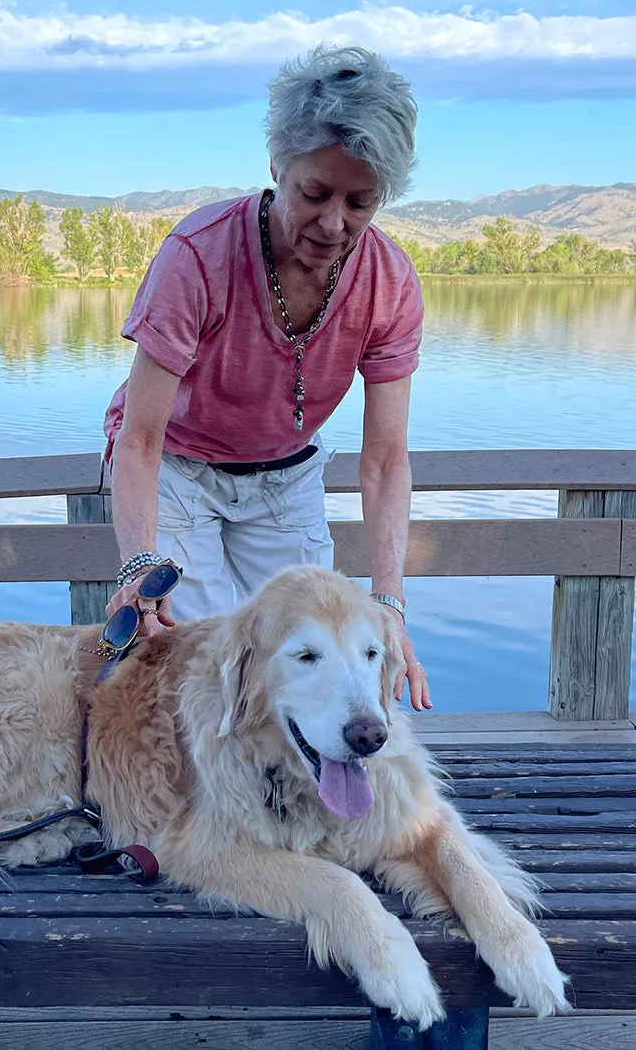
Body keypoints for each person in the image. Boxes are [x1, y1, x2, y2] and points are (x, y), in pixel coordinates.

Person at [102, 43, 431, 712]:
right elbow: (139, 440)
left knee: (319, 656)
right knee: (200, 659)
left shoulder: (390, 282)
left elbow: (386, 457)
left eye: (361, 202)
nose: (334, 223)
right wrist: (140, 564)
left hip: (285, 473)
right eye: (314, 193)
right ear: (278, 165)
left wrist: (389, 603)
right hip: (178, 465)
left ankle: (305, 809)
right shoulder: (198, 256)